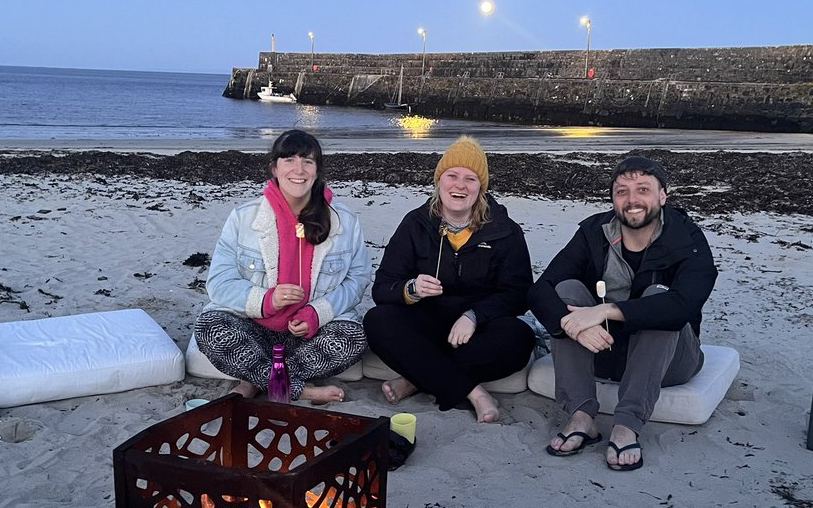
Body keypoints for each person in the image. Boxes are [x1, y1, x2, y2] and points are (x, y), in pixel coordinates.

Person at [528, 155, 717, 469]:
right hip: (601, 351)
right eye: (622, 192)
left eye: (643, 190)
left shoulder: (687, 239)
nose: (632, 200)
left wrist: (604, 310)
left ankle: (627, 423)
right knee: (567, 291)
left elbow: (682, 306)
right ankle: (581, 416)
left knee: (660, 298)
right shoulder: (594, 232)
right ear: (613, 199)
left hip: (670, 362)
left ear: (662, 196)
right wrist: (571, 322)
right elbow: (540, 289)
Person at [364, 136, 536, 423]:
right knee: (377, 320)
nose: (460, 185)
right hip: (426, 323)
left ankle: (416, 379)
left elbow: (518, 294)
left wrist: (474, 315)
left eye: (470, 178)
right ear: (439, 182)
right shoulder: (415, 224)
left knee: (520, 338)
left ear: (481, 187)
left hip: (477, 330)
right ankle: (477, 394)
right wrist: (412, 289)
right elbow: (382, 288)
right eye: (452, 176)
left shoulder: (505, 231)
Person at [194, 129, 370, 404]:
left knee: (353, 337)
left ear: (317, 170)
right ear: (274, 168)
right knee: (210, 326)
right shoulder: (244, 217)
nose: (299, 169)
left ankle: (256, 379)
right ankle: (297, 388)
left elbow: (357, 278)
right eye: (289, 159)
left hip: (309, 333)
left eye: (308, 161)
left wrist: (317, 313)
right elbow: (218, 282)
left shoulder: (344, 220)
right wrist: (267, 299)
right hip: (253, 326)